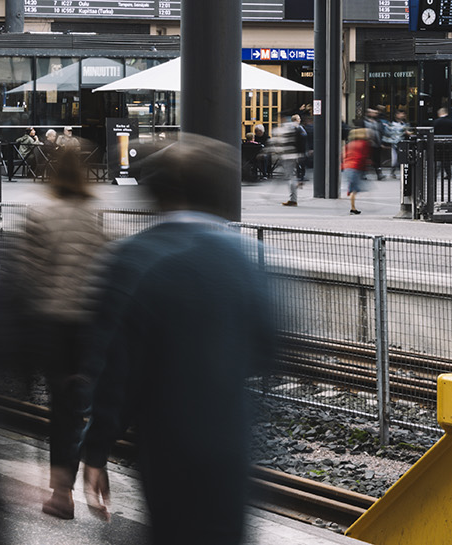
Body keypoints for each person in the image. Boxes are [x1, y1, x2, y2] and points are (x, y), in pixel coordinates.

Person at [79, 133, 276, 544]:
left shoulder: (132, 258)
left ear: (158, 194)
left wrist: (96, 450)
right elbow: (268, 347)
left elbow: (114, 373)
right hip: (231, 445)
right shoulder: (244, 260)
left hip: (167, 447)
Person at [12, 142, 109, 520]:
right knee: (81, 405)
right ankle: (89, 472)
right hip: (87, 325)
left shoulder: (40, 213)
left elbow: (26, 276)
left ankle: (61, 493)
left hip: (53, 325)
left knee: (61, 407)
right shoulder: (93, 215)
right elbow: (104, 268)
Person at [270, 115, 303, 207]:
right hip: (291, 156)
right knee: (288, 176)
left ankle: (293, 199)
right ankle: (293, 197)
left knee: (290, 177)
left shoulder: (287, 128)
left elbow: (282, 142)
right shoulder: (294, 128)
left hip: (288, 156)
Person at [343, 128, 372, 214]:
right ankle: (353, 208)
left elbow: (344, 156)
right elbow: (363, 157)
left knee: (353, 188)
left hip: (347, 167)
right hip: (356, 167)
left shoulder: (349, 144)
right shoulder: (364, 143)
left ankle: (353, 207)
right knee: (354, 189)